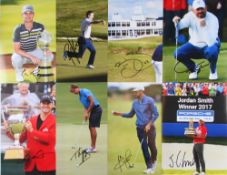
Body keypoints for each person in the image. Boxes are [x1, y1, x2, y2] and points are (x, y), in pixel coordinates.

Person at [4, 95, 56, 175]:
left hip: (47, 165)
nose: (45, 105)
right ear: (40, 105)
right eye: (43, 103)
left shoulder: (54, 121)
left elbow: (49, 139)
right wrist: (8, 130)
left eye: (48, 103)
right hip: (31, 164)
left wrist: (32, 130)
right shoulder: (31, 119)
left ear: (52, 105)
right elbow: (21, 139)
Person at [112, 87, 159, 174]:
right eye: (134, 92)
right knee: (144, 147)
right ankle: (149, 167)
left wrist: (149, 124)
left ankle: (154, 160)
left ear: (141, 92)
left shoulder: (150, 101)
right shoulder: (134, 103)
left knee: (152, 146)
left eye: (136, 92)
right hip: (140, 128)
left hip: (150, 127)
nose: (134, 93)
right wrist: (120, 114)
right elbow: (130, 115)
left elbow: (156, 114)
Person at [172, 0, 220, 80]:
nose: (200, 11)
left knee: (212, 51)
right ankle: (193, 68)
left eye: (202, 8)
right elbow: (180, 26)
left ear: (206, 8)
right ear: (193, 10)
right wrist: (176, 21)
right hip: (193, 45)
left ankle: (213, 71)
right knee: (177, 53)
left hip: (208, 46)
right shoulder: (189, 16)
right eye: (198, 9)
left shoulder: (213, 18)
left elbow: (211, 42)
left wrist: (204, 27)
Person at [11, 5, 53, 82]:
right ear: (22, 15)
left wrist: (46, 49)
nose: (28, 15)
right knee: (15, 58)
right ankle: (19, 72)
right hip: (22, 53)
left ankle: (37, 71)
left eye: (30, 13)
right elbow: (17, 49)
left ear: (33, 14)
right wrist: (31, 57)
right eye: (25, 13)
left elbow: (44, 40)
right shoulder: (18, 29)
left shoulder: (40, 26)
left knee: (50, 56)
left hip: (34, 50)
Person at [70, 84, 102, 153]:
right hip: (93, 110)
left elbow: (92, 102)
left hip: (97, 109)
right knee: (90, 127)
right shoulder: (80, 96)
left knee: (92, 127)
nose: (74, 93)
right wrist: (85, 114)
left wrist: (87, 112)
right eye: (73, 92)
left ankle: (93, 148)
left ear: (77, 88)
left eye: (74, 91)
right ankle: (92, 146)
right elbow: (86, 106)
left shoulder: (85, 91)